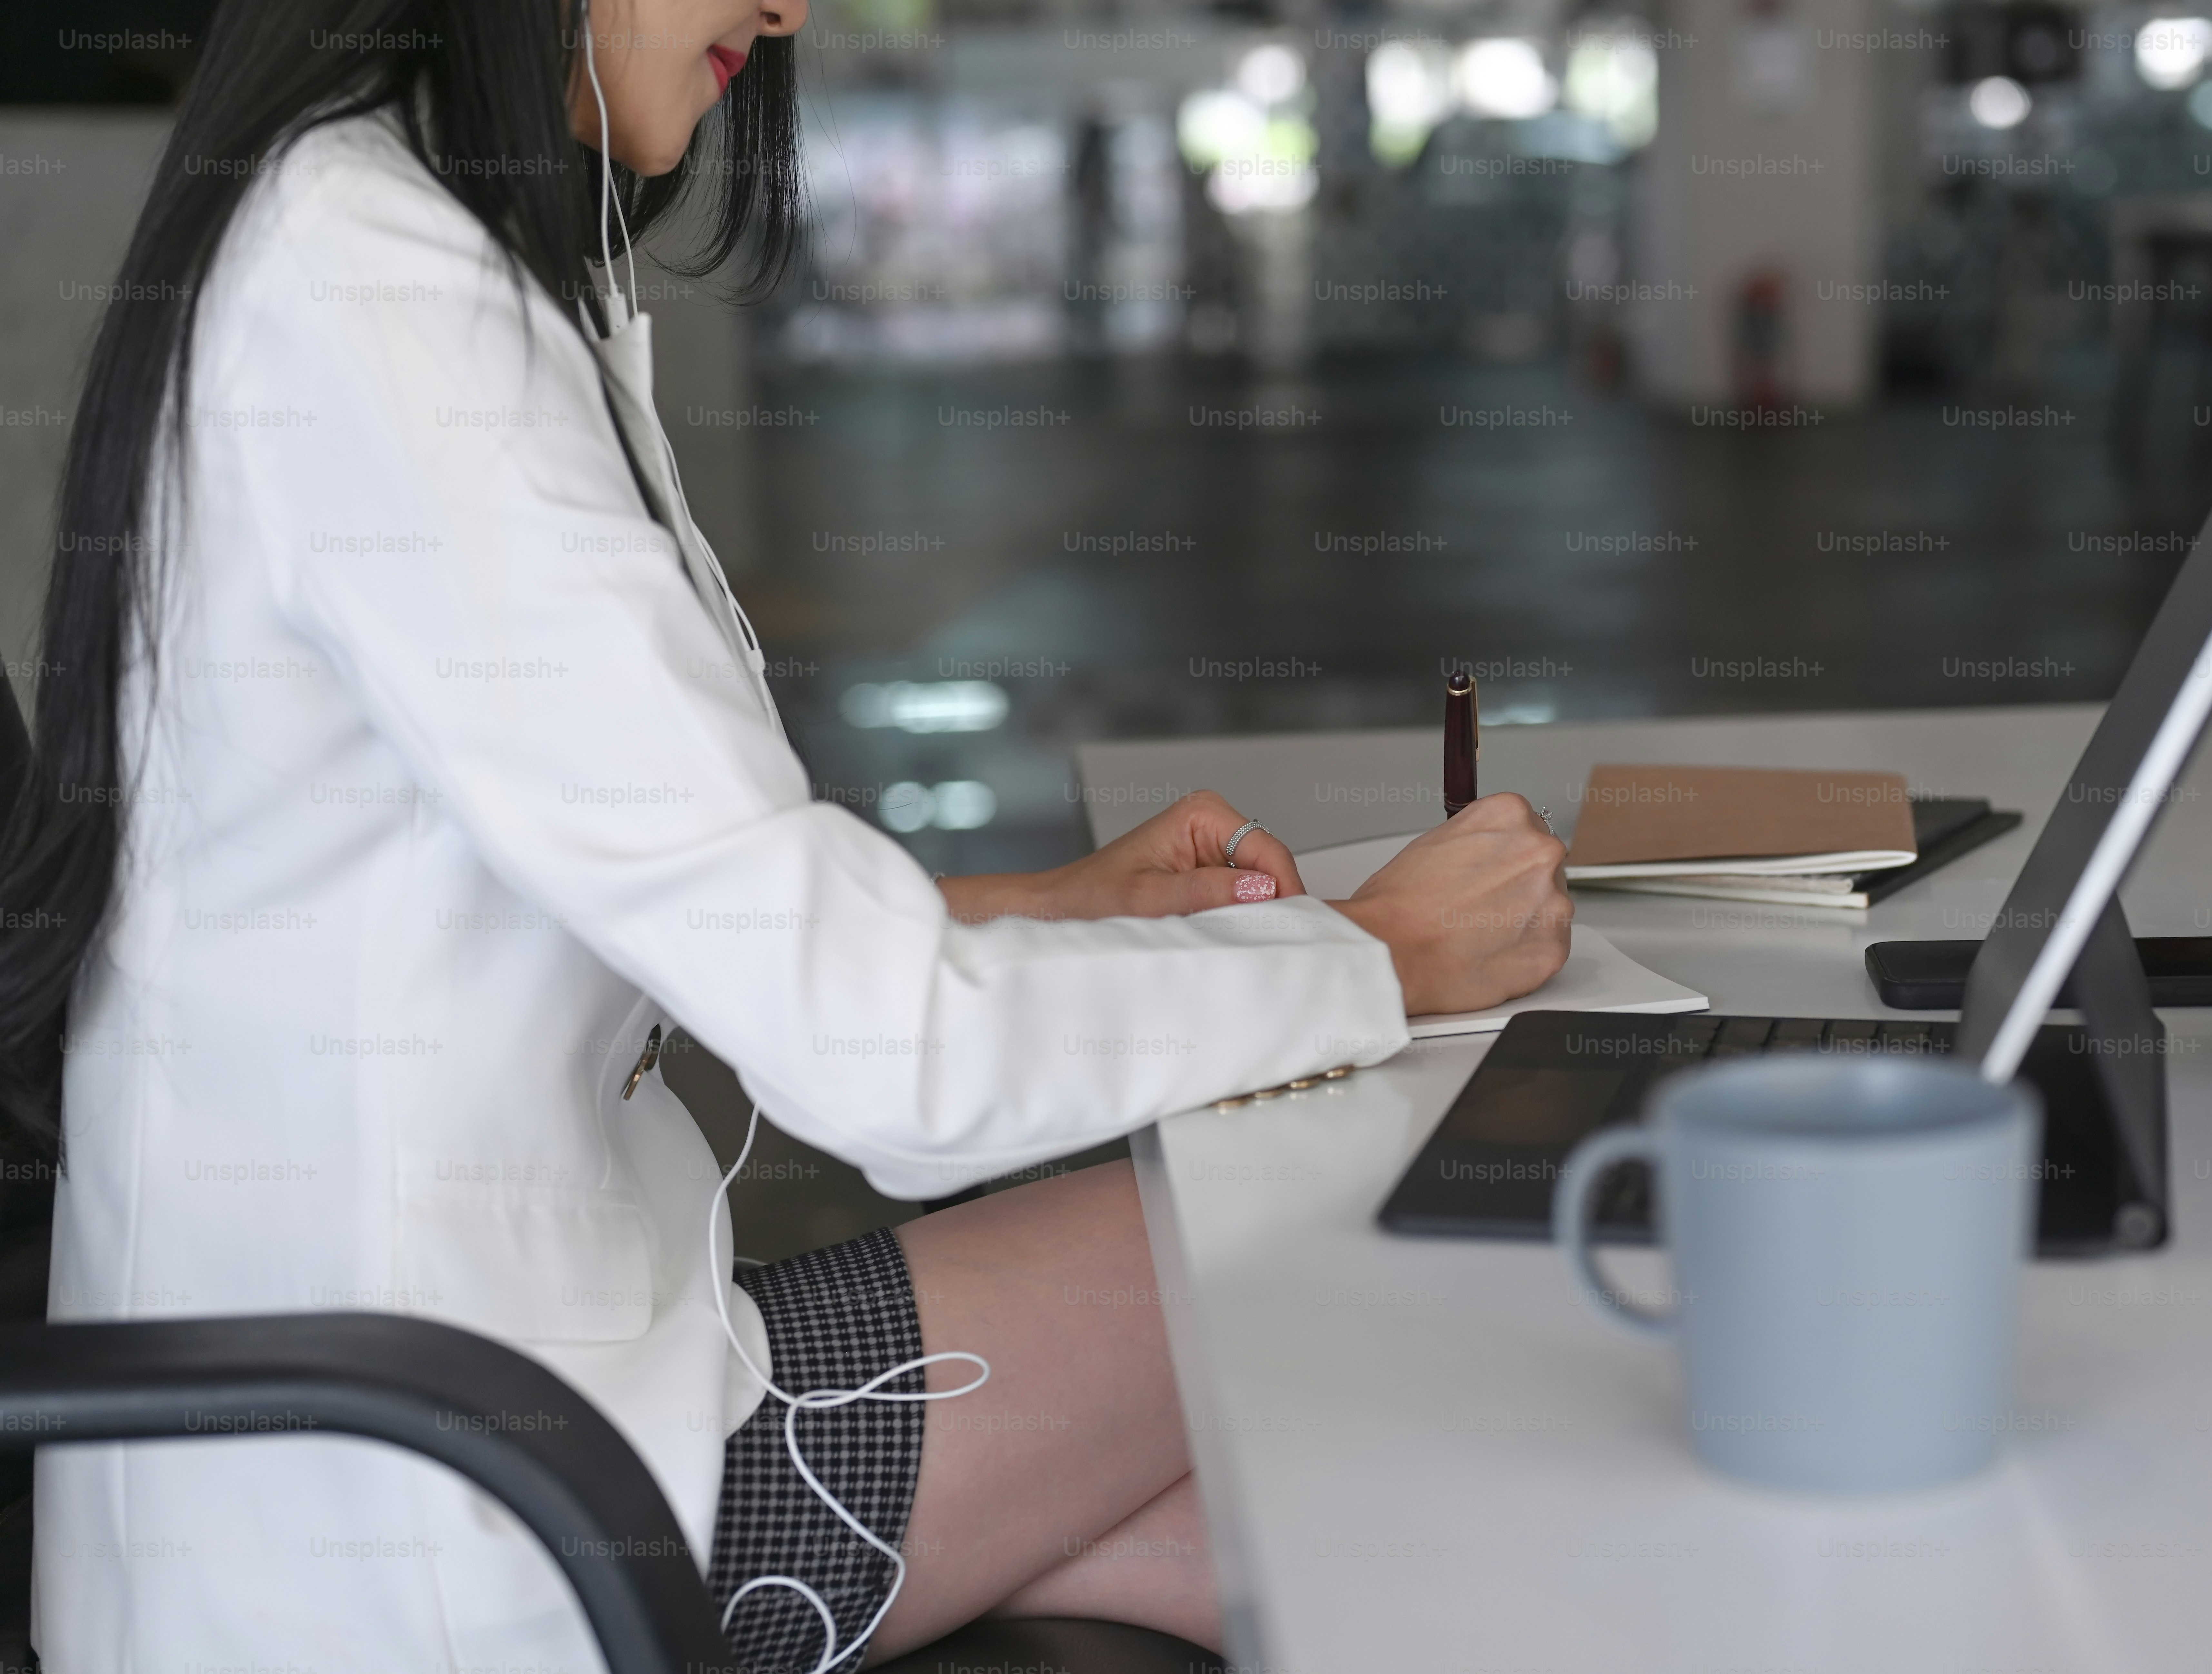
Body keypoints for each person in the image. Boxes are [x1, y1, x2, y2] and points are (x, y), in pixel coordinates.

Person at [0, 0, 1573, 1668]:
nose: (790, 5)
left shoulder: (398, 233)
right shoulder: (379, 284)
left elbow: (616, 903)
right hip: (455, 1513)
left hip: (466, 1425)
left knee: (1301, 1505)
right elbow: (878, 1063)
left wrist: (1045, 909)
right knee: (1321, 1235)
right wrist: (1372, 958)